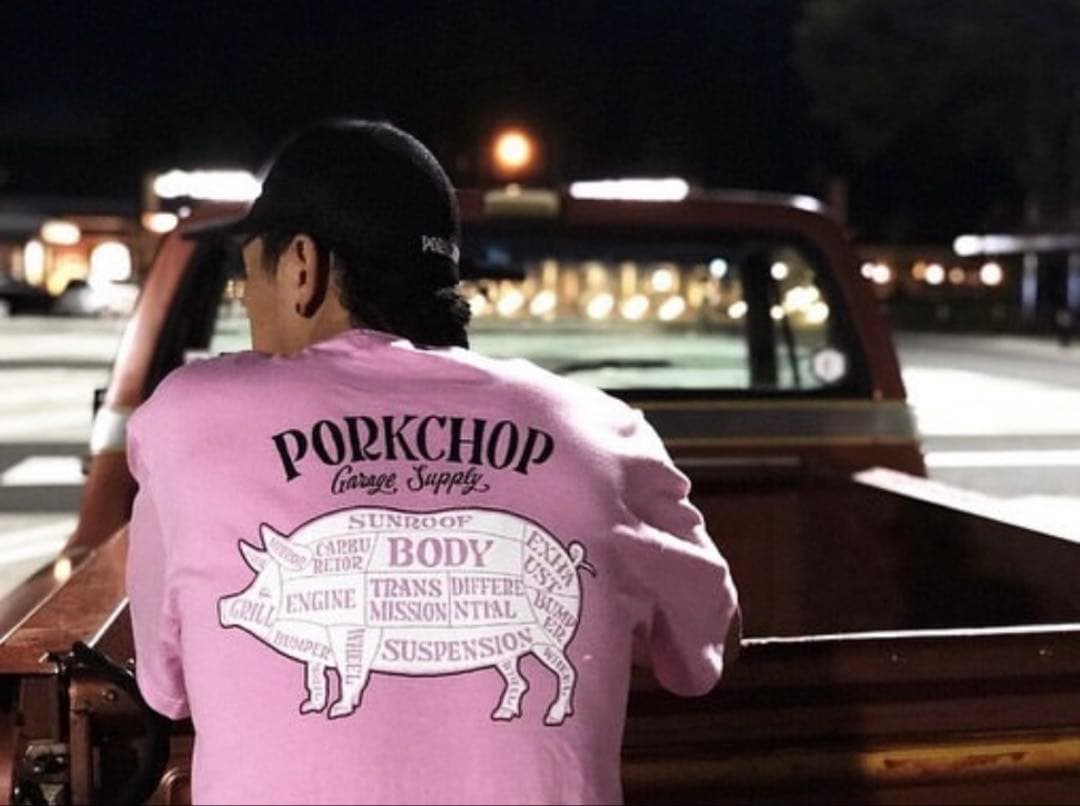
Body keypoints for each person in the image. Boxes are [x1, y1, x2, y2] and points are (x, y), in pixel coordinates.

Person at [125, 119, 740, 806]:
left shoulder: (189, 421)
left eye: (247, 279)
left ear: (301, 267)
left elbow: (166, 686)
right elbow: (708, 645)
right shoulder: (605, 434)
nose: (248, 307)